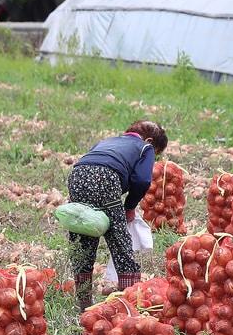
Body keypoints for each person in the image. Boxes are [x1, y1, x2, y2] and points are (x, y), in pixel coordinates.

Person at [66, 121, 168, 309]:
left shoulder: (106, 141)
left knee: (83, 239)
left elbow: (91, 160)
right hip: (105, 177)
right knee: (120, 241)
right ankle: (130, 304)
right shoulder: (145, 147)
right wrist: (129, 206)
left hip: (77, 175)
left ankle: (83, 304)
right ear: (150, 140)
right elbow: (142, 180)